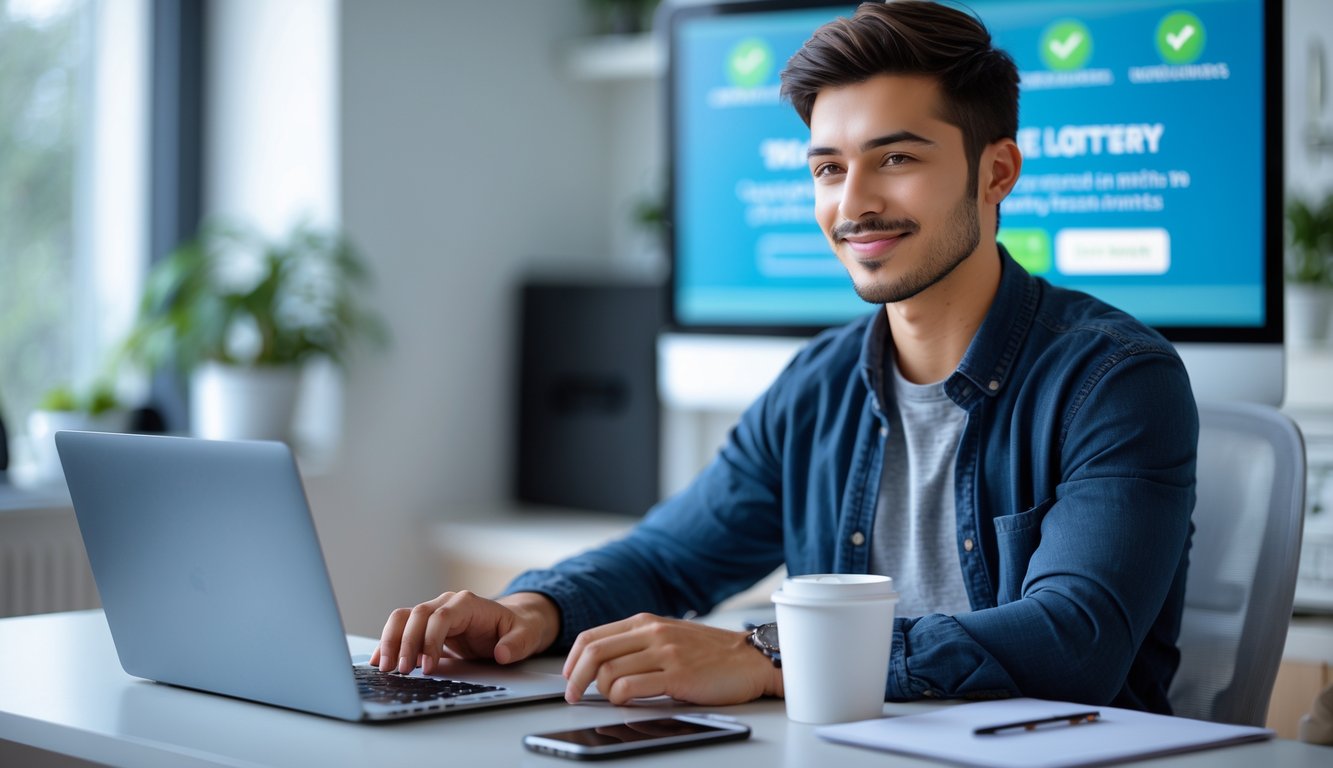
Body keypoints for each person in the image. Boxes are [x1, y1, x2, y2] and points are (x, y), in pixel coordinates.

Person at [373, 0, 1197, 714]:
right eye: (828, 168)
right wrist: (533, 609)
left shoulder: (1114, 379)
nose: (853, 202)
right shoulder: (820, 381)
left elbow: (1074, 640)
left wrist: (773, 659)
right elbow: (669, 556)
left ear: (997, 173)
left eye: (896, 159)